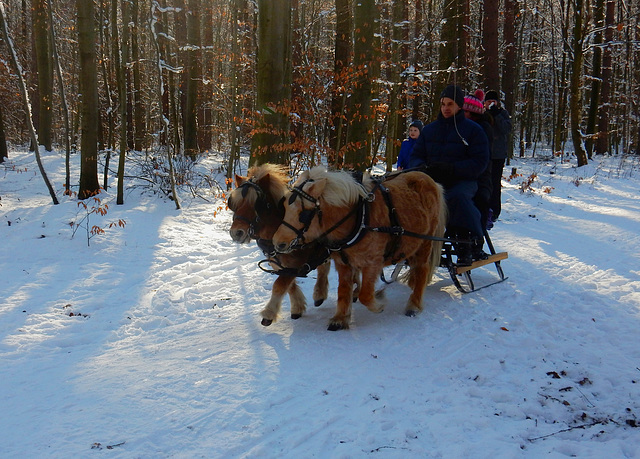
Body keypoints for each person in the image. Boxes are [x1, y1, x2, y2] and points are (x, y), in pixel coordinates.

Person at [408, 84, 490, 265]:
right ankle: (411, 242)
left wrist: (452, 169)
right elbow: (416, 156)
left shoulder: (474, 131)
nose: (446, 108)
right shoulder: (429, 130)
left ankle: (467, 241)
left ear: (459, 106)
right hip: (431, 180)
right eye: (443, 103)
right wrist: (423, 168)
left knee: (457, 197)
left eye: (450, 104)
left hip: (462, 180)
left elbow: (479, 162)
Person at [463, 90, 494, 232]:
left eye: (465, 112)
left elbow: (482, 159)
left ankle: (477, 235)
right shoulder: (457, 126)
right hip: (459, 172)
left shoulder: (483, 129)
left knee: (480, 198)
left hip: (480, 174)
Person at [484, 90, 512, 223]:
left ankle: (495, 210)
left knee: (495, 184)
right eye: (488, 102)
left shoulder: (502, 114)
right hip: (484, 154)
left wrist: (497, 116)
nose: (490, 104)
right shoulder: (482, 114)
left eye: (493, 102)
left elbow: (506, 129)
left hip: (498, 155)